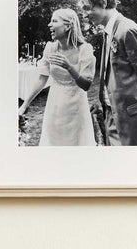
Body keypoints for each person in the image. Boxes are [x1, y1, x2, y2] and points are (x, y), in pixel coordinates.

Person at [79, 0, 137, 146]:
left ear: (103, 2)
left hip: (133, 121)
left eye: (87, 8)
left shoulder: (128, 30)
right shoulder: (108, 32)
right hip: (112, 118)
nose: (85, 14)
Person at [18, 8, 96, 147]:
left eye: (54, 21)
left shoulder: (85, 49)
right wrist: (24, 105)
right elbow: (42, 79)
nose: (49, 24)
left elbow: (86, 85)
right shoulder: (50, 48)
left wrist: (69, 67)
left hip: (76, 107)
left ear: (68, 25)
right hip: (54, 105)